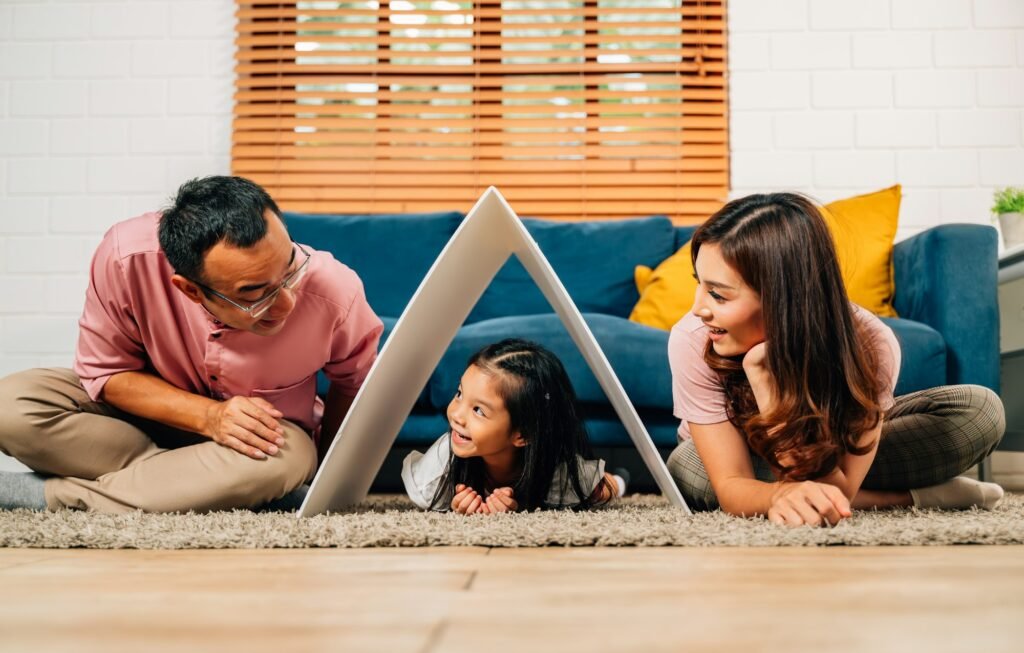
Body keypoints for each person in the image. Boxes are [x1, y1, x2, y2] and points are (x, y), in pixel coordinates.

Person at [0, 176, 383, 513]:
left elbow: (354, 387)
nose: (286, 303)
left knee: (290, 459)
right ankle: (197, 486)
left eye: (289, 270)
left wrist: (325, 481)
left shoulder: (336, 290)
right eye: (254, 293)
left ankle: (55, 495)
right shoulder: (125, 258)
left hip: (253, 448)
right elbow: (107, 373)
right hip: (140, 427)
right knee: (10, 407)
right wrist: (209, 417)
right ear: (190, 290)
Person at [667, 192, 1006, 528]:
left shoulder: (871, 342)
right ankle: (914, 496)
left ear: (783, 297)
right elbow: (730, 484)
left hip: (833, 455)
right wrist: (774, 496)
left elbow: (836, 486)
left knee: (978, 411)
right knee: (688, 466)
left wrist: (767, 380)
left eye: (718, 294)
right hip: (742, 455)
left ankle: (794, 494)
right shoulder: (693, 338)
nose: (699, 308)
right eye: (700, 284)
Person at [402, 339, 627, 514]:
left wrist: (519, 507)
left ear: (524, 433)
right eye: (459, 394)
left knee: (603, 489)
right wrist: (454, 506)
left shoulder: (558, 475)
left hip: (548, 468)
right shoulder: (441, 467)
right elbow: (429, 498)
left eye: (478, 410)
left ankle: (621, 477)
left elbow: (596, 492)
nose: (457, 415)